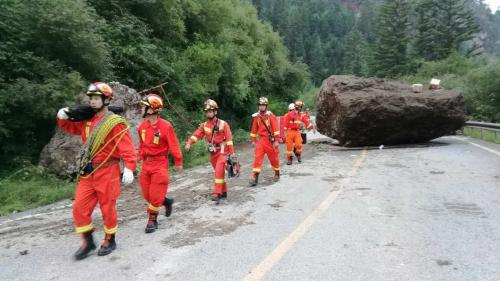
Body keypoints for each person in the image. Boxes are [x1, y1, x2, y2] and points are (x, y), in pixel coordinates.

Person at [56, 82, 137, 260]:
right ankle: (88, 241)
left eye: (96, 98)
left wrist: (130, 168)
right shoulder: (87, 120)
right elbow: (70, 128)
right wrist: (62, 117)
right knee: (79, 208)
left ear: (107, 99)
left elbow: (127, 147)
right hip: (88, 171)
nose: (92, 101)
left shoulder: (115, 123)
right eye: (90, 98)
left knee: (108, 208)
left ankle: (110, 239)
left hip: (108, 171)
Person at [138, 93, 182, 233]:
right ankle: (167, 202)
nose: (141, 108)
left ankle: (152, 220)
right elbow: (141, 145)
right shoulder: (142, 127)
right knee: (147, 195)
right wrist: (137, 158)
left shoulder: (166, 126)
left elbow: (174, 145)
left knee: (155, 195)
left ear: (152, 109)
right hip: (146, 165)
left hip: (160, 164)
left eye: (144, 106)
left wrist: (178, 161)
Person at [184, 99, 235, 204]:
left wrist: (232, 153)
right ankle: (224, 191)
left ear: (215, 111)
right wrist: (189, 143)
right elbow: (196, 135)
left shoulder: (223, 124)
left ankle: (217, 192)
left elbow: (229, 139)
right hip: (213, 152)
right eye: (207, 111)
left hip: (222, 150)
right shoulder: (204, 125)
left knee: (220, 169)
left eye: (210, 111)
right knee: (218, 172)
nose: (208, 113)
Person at [249, 97, 280, 186]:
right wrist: (253, 140)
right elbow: (254, 129)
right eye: (260, 105)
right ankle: (255, 177)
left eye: (263, 105)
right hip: (261, 140)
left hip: (270, 140)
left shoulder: (271, 116)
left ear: (266, 106)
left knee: (273, 158)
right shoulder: (256, 117)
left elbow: (276, 129)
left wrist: (276, 140)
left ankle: (277, 172)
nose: (261, 107)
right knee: (257, 158)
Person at [283, 100, 313, 165]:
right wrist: (284, 133)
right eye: (301, 107)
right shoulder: (289, 114)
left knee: (299, 144)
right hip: (290, 131)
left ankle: (298, 154)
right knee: (289, 146)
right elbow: (285, 123)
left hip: (297, 131)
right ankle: (289, 159)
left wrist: (311, 126)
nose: (302, 108)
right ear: (299, 107)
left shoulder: (301, 115)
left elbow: (306, 121)